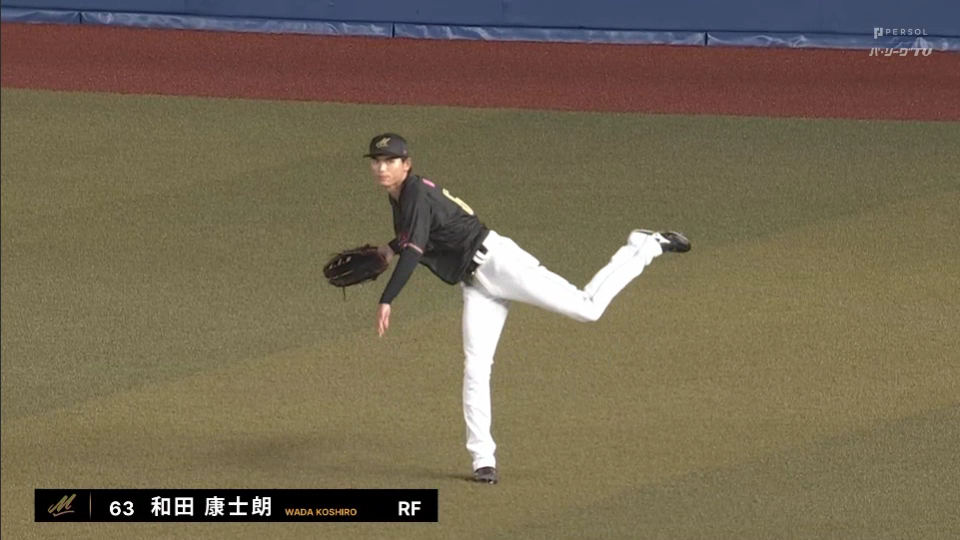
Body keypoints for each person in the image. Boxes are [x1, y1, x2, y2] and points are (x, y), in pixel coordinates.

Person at [365, 133, 690, 484]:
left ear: (406, 164)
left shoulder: (414, 192)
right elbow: (421, 233)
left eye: (390, 161)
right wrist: (388, 250)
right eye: (377, 161)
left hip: (501, 264)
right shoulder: (401, 196)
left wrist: (387, 298)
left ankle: (644, 245)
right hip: (475, 284)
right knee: (476, 367)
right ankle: (483, 460)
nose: (382, 168)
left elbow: (415, 249)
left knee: (588, 308)